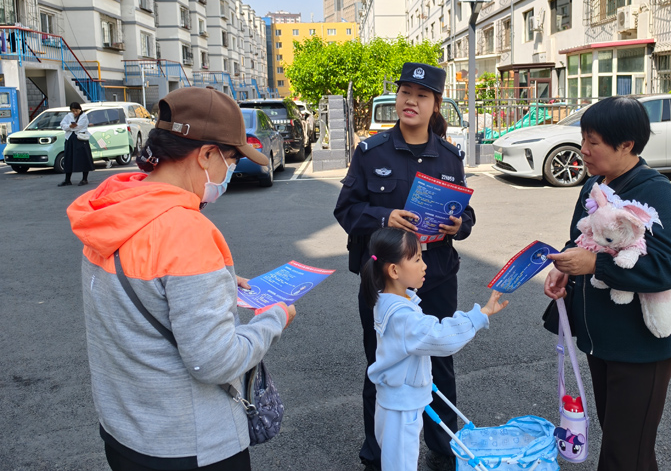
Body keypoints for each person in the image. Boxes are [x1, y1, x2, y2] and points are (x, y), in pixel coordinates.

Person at [66, 87, 297, 471]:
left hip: (124, 433)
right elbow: (216, 361)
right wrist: (274, 319)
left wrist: (214, 281)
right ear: (206, 155)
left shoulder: (112, 209)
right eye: (232, 159)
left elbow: (144, 284)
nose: (231, 171)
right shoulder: (187, 232)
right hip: (191, 444)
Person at [334, 62, 475, 471]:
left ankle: (443, 446)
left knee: (440, 362)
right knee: (382, 362)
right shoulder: (371, 152)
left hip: (436, 276)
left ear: (435, 104)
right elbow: (345, 209)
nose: (410, 101)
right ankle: (377, 452)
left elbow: (466, 216)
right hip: (385, 283)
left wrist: (458, 224)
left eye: (422, 95)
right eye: (405, 92)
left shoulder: (449, 157)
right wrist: (384, 217)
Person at [543, 96, 671, 471]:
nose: (583, 150)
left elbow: (669, 267)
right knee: (624, 444)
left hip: (641, 348)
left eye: (593, 142)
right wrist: (565, 265)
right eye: (583, 139)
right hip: (602, 340)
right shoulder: (594, 185)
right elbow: (581, 240)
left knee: (626, 454)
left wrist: (594, 264)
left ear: (626, 145)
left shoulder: (657, 193)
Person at [363, 227, 508, 471]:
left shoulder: (389, 299)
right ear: (394, 270)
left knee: (397, 459)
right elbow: (441, 337)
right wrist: (479, 315)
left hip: (398, 399)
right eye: (417, 259)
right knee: (401, 464)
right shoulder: (403, 316)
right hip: (401, 405)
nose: (424, 265)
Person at [59, 102, 94, 186]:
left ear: (80, 109)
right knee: (68, 158)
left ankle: (84, 179)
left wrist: (69, 127)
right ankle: (67, 180)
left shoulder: (84, 116)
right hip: (70, 139)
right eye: (73, 111)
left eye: (76, 111)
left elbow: (79, 127)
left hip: (80, 139)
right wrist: (70, 126)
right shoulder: (68, 116)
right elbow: (62, 125)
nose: (74, 113)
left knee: (83, 158)